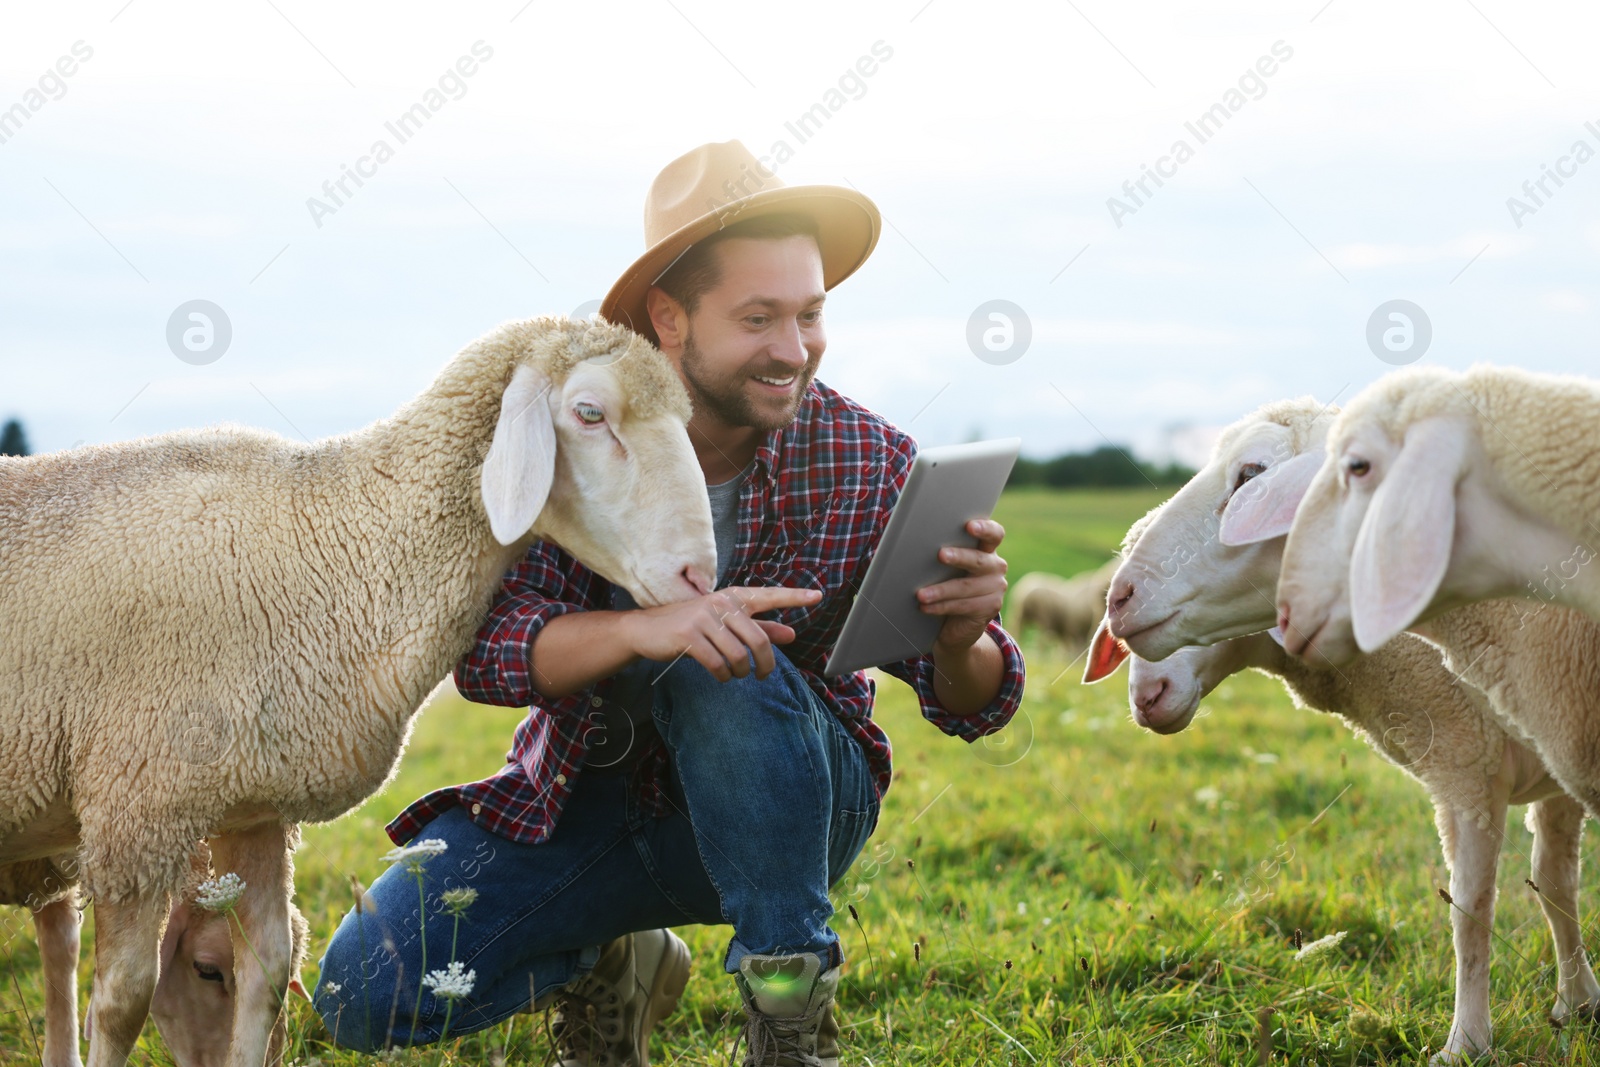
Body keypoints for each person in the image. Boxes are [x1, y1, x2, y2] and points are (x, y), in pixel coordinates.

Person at [313, 139, 1026, 1066]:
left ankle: (786, 1020)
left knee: (723, 662)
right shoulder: (576, 435)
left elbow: (971, 700)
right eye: (759, 317)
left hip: (796, 803)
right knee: (359, 991)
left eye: (810, 315)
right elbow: (488, 655)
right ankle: (619, 957)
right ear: (671, 319)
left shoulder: (867, 459)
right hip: (582, 798)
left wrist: (965, 632)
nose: (793, 349)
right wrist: (648, 625)